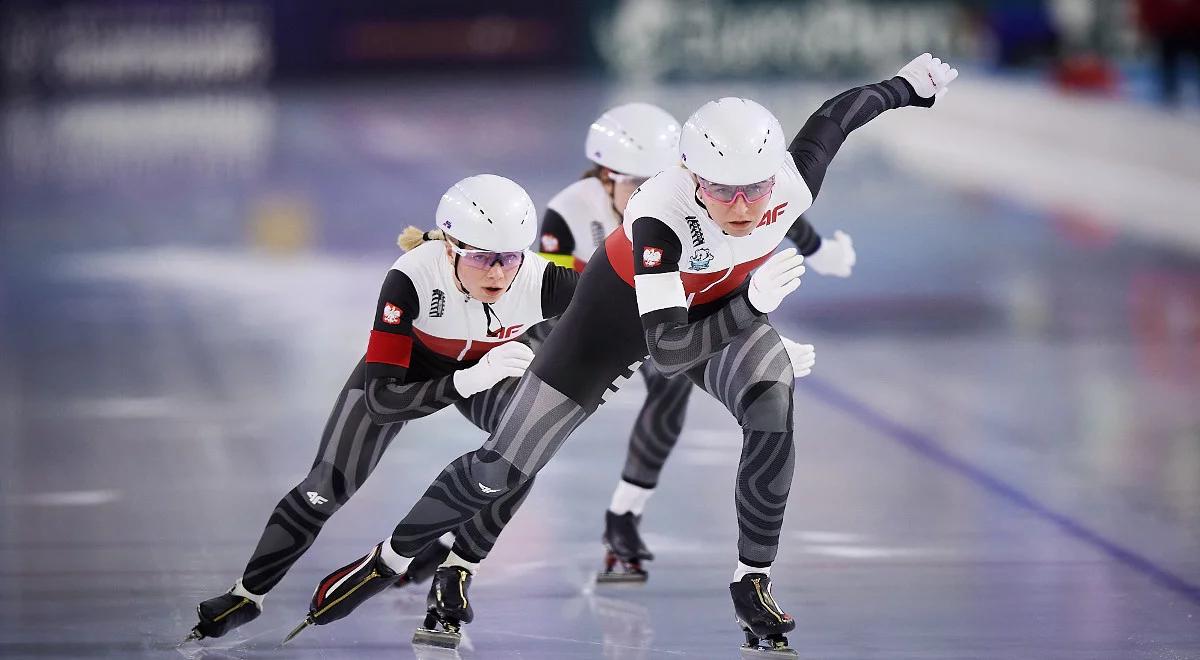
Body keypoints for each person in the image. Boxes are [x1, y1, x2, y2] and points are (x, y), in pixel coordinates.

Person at [299, 54, 958, 655]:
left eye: (752, 191)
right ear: (690, 176)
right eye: (719, 190)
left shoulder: (794, 179)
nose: (738, 207)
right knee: (502, 468)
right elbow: (668, 353)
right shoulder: (657, 216)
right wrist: (754, 306)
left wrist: (907, 88)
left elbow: (838, 114)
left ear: (774, 177)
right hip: (608, 324)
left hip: (711, 310)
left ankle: (750, 579)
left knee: (771, 397)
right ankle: (386, 560)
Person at [184, 174, 579, 642]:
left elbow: (623, 302)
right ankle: (247, 594)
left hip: (490, 371)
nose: (496, 272)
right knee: (324, 488)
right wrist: (472, 377)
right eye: (480, 257)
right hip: (410, 373)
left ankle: (455, 570)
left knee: (521, 451)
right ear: (450, 247)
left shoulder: (545, 280)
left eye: (508, 258)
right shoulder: (411, 276)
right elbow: (382, 400)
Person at [535, 103, 853, 582]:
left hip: (670, 310)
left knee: (670, 386)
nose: (644, 190)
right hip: (605, 313)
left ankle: (624, 514)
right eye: (630, 183)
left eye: (655, 176)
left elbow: (769, 209)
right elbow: (550, 294)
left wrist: (817, 250)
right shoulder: (569, 213)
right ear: (604, 178)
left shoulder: (692, 199)